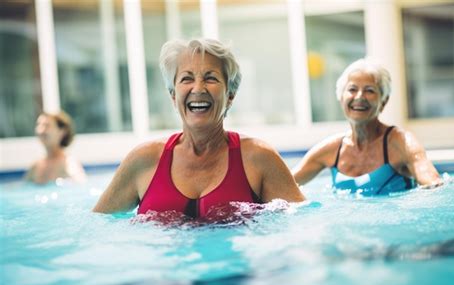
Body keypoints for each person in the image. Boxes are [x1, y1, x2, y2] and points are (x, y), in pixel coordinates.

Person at [93, 38, 305, 219]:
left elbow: (301, 222)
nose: (198, 88)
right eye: (186, 78)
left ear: (230, 95)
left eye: (210, 78)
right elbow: (97, 227)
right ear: (173, 96)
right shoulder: (143, 160)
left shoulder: (259, 158)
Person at [292, 58, 442, 195]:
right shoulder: (331, 149)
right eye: (352, 89)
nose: (359, 97)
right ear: (341, 97)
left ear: (383, 101)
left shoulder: (400, 142)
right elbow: (284, 183)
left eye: (369, 90)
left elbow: (432, 183)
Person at [25, 111, 86, 184]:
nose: (40, 131)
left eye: (46, 125)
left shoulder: (69, 164)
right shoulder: (35, 167)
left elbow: (80, 186)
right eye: (38, 125)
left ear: (62, 132)